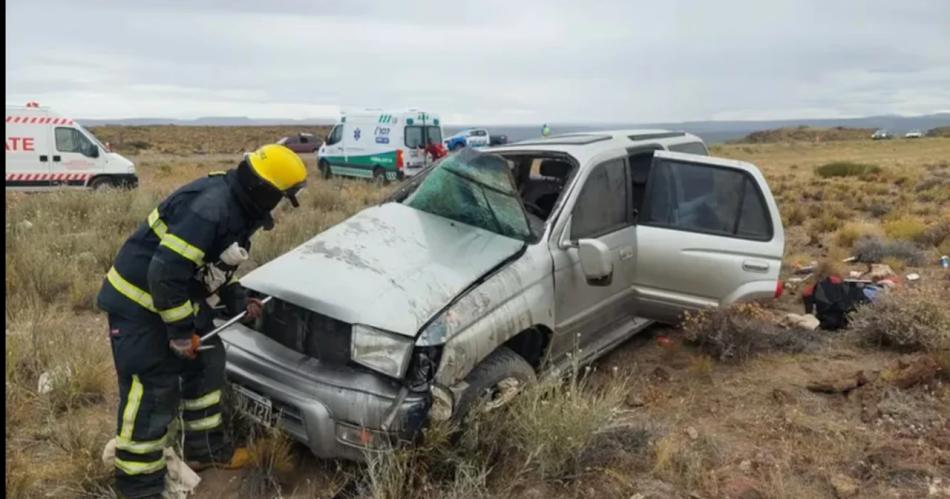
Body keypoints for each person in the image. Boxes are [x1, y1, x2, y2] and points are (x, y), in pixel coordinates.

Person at [96, 144, 307, 499]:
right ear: (266, 190)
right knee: (153, 392)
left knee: (208, 360)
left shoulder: (239, 207)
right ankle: (138, 487)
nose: (280, 205)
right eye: (281, 197)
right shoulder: (210, 209)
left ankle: (206, 451)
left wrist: (239, 299)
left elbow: (212, 267)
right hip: (139, 307)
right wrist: (180, 333)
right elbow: (164, 274)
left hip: (174, 299)